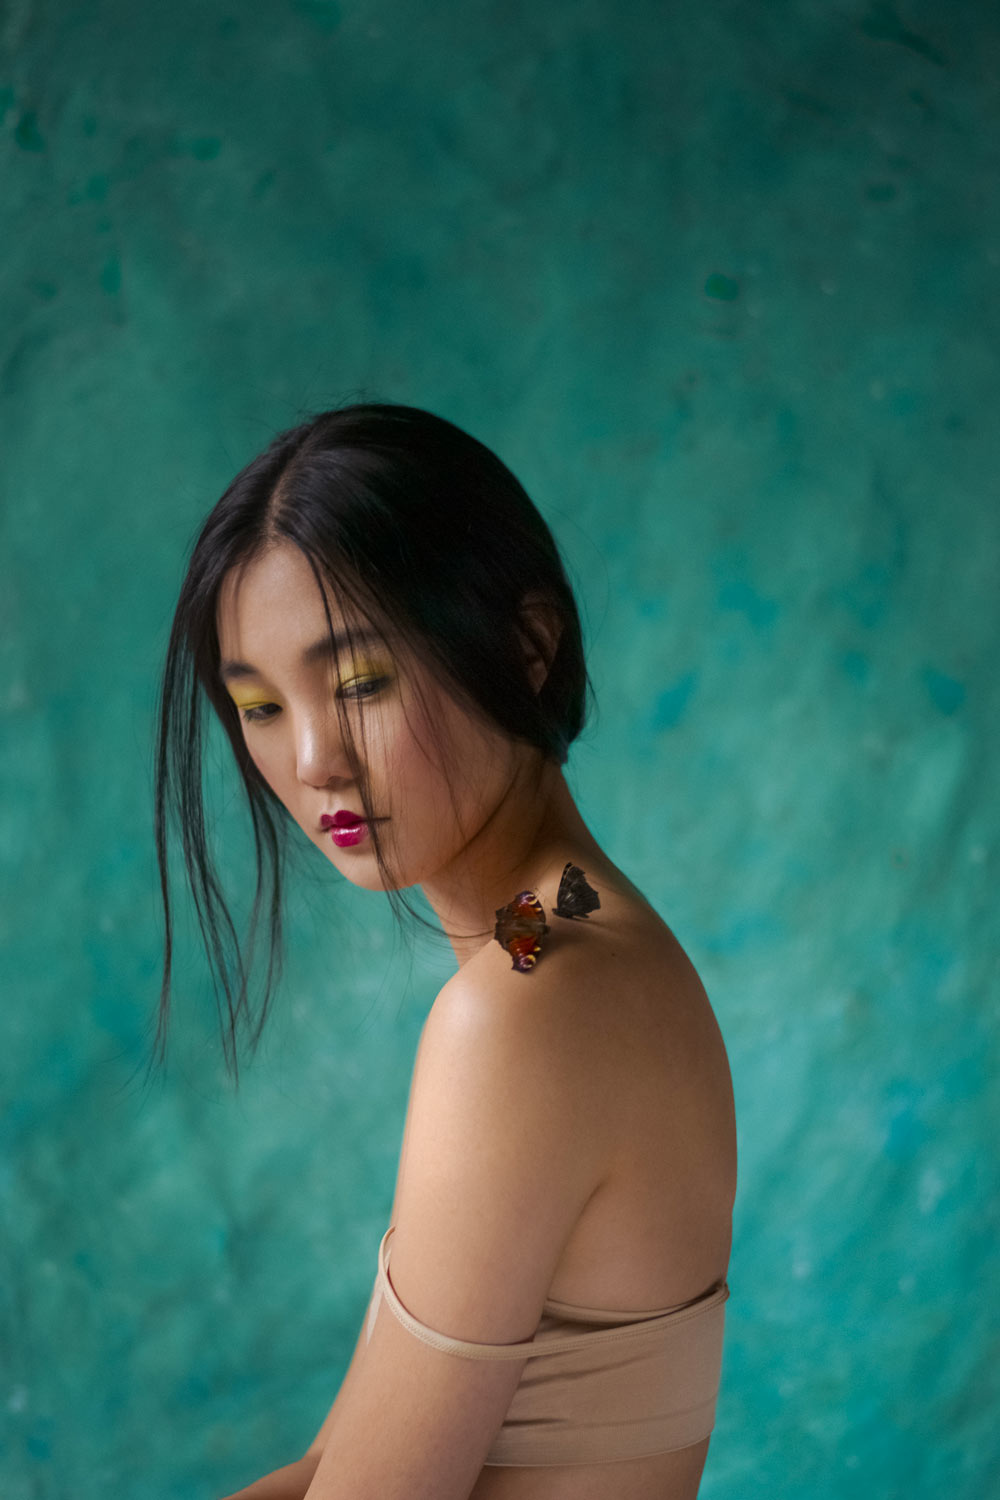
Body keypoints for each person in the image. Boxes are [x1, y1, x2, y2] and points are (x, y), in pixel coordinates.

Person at [154, 402, 737, 1500]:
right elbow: (330, 1467)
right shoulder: (559, 936)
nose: (314, 759)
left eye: (359, 684)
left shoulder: (524, 1010)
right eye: (259, 706)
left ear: (526, 648)